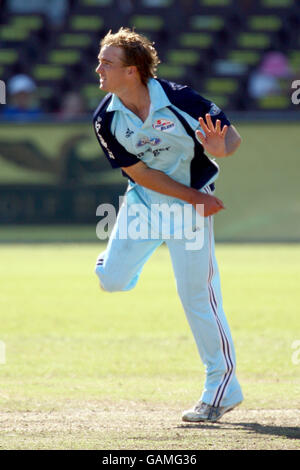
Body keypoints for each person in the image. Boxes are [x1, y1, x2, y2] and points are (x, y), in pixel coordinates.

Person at [93, 27, 243, 423]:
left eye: (107, 63)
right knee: (110, 279)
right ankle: (111, 262)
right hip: (145, 202)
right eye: (100, 61)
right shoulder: (105, 117)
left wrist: (217, 148)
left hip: (189, 209)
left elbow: (232, 140)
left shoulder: (181, 100)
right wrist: (196, 197)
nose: (99, 70)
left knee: (198, 297)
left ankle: (222, 389)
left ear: (134, 71)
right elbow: (139, 173)